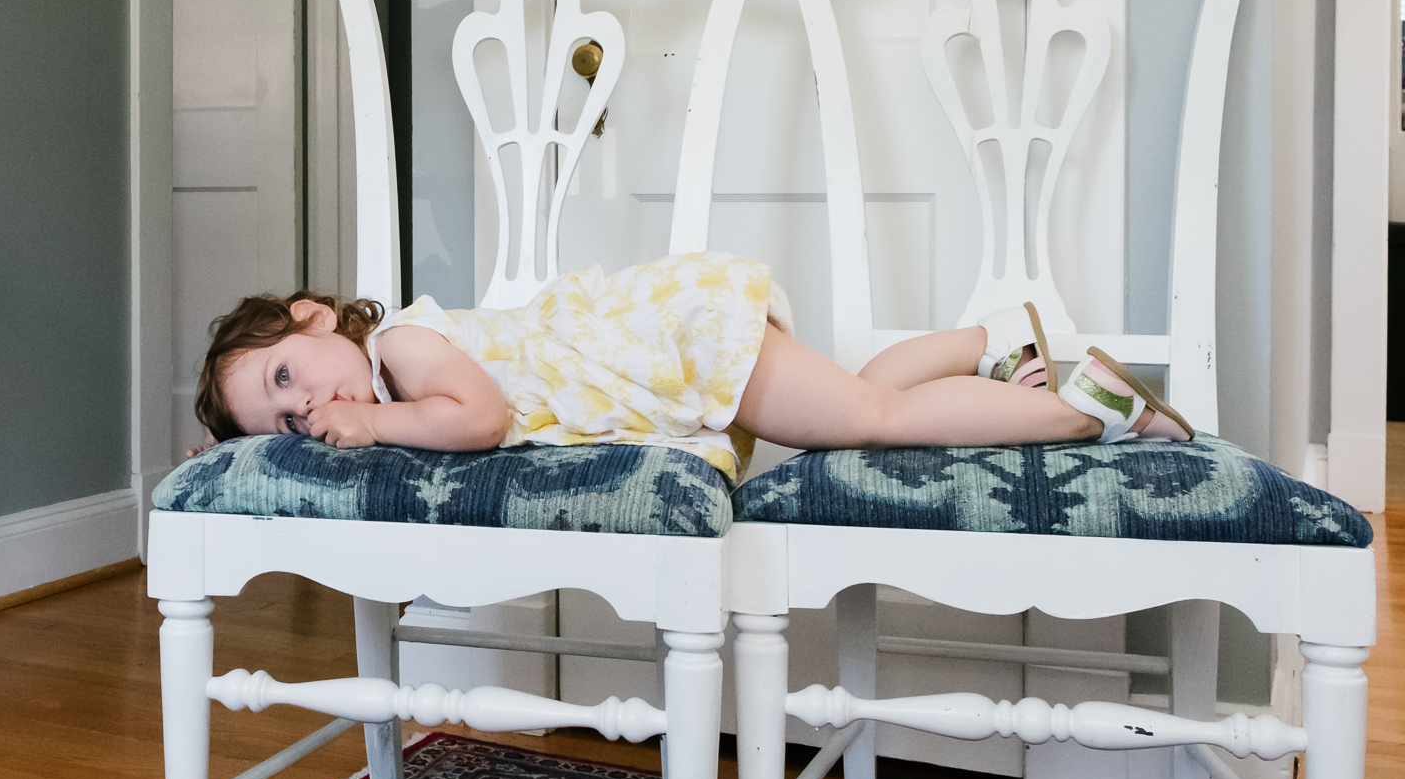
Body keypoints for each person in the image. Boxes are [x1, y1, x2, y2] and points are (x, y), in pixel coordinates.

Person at [192, 251, 1190, 478]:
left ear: (314, 318)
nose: (309, 405)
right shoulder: (388, 367)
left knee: (870, 421)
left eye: (286, 374)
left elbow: (480, 418)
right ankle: (992, 345)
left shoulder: (400, 352)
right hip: (676, 352)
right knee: (859, 395)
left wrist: (372, 424)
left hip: (677, 348)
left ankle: (1089, 411)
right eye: (282, 419)